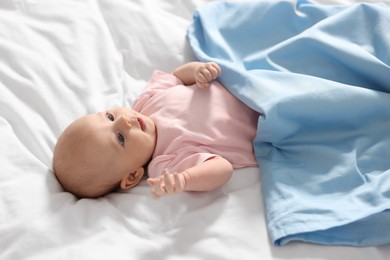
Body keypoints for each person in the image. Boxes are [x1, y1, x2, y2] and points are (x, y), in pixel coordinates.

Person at [53, 62, 259, 199]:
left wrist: (198, 71)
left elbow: (177, 77)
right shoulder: (165, 164)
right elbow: (222, 168)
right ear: (132, 176)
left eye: (110, 117)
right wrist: (187, 179)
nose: (125, 120)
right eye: (121, 138)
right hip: (264, 120)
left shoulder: (145, 102)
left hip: (244, 82)